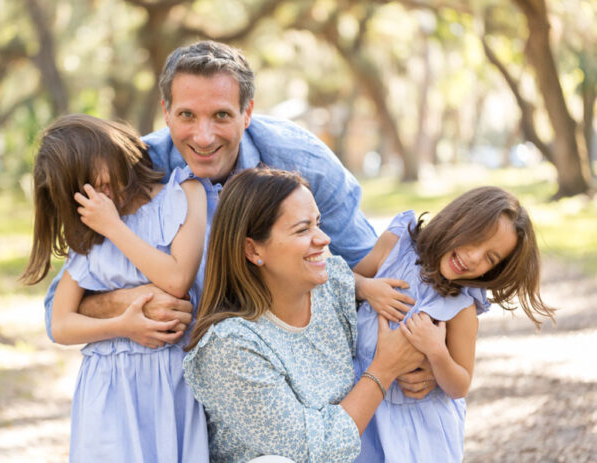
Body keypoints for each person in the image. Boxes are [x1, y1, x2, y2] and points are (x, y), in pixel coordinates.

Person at [42, 40, 434, 396]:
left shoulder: (302, 163)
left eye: (221, 115)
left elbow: (376, 269)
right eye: (187, 115)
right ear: (165, 112)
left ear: (247, 112)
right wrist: (129, 302)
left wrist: (430, 359)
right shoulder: (135, 172)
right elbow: (58, 307)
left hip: (287, 364)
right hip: (181, 374)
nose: (204, 135)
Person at [183, 168, 426, 462]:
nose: (323, 239)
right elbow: (313, 453)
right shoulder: (231, 347)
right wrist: (384, 370)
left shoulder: (331, 286)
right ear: (252, 248)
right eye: (302, 230)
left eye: (318, 224)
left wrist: (427, 372)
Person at [21, 114, 209, 462]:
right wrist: (122, 326)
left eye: (100, 179)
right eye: (85, 188)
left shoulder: (183, 194)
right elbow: (60, 325)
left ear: (111, 147)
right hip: (109, 388)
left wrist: (115, 228)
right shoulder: (91, 232)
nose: (100, 192)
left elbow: (177, 280)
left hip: (171, 383)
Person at [352, 186, 556, 462]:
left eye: (490, 258)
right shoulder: (395, 247)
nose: (474, 257)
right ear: (459, 217)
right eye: (476, 238)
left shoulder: (461, 307)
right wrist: (366, 288)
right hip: (363, 405)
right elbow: (345, 282)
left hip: (419, 428)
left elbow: (460, 384)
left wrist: (437, 354)